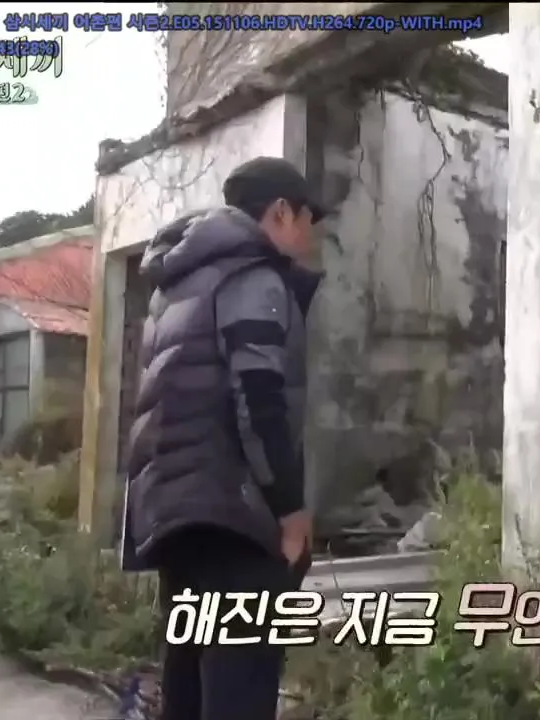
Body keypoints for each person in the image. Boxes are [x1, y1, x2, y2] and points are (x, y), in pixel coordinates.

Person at [120, 157, 326, 720]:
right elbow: (258, 400)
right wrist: (291, 513)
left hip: (176, 518)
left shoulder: (176, 285)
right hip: (234, 517)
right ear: (280, 212)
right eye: (307, 219)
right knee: (239, 686)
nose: (310, 236)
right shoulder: (253, 277)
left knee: (187, 681)